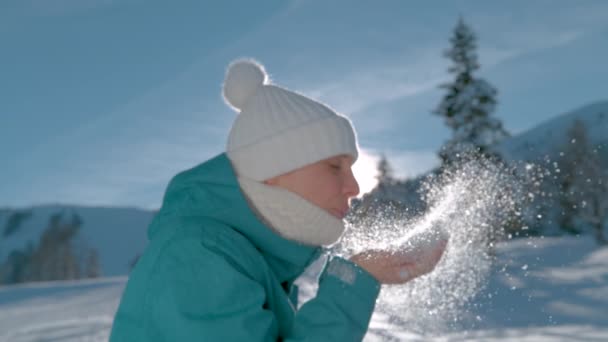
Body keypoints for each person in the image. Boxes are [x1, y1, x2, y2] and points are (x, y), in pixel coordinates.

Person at [109, 59, 447, 341]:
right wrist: (352, 283)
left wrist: (362, 273)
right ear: (273, 169)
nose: (354, 187)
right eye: (334, 167)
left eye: (352, 168)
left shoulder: (249, 259)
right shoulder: (197, 255)